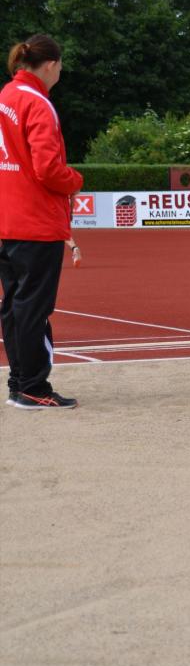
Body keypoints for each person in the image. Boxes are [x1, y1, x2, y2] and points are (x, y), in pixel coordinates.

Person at [0, 34, 83, 409]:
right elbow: (48, 168)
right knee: (33, 307)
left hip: (7, 219)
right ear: (50, 65)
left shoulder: (6, 95)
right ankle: (34, 386)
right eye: (61, 66)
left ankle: (19, 382)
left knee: (14, 304)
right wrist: (75, 180)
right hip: (35, 220)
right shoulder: (38, 103)